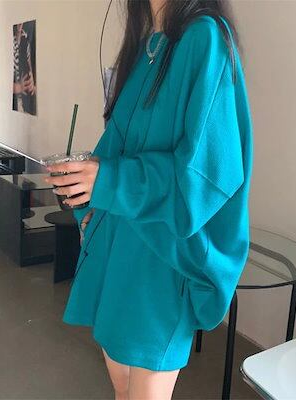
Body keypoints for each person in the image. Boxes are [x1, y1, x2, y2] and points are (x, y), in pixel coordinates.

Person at [44, 0, 254, 398]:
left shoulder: (206, 39)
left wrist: (109, 181)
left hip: (162, 263)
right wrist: (89, 199)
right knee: (122, 388)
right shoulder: (149, 46)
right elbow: (117, 146)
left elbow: (207, 177)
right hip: (119, 250)